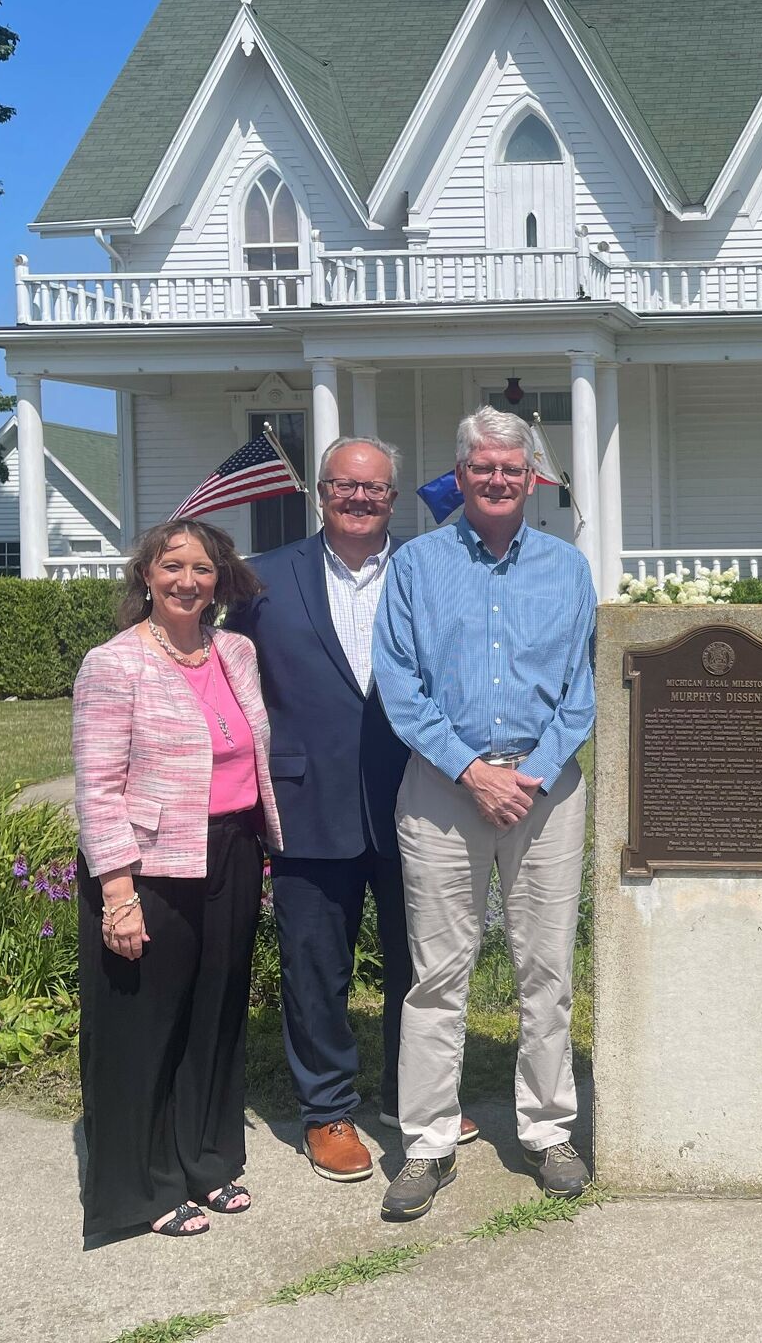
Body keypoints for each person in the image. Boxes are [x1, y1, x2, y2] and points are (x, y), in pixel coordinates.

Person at [227, 437, 478, 1182]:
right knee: (315, 967)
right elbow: (232, 685)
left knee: (423, 961)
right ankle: (327, 1110)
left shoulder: (432, 571)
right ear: (322, 493)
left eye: (373, 489)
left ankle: (418, 1097)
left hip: (420, 795)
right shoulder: (262, 581)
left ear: (393, 498)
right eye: (345, 486)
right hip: (308, 802)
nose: (359, 499)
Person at [371, 406, 596, 1220]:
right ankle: (426, 1143)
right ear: (460, 476)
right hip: (441, 788)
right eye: (482, 469)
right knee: (437, 975)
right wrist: (471, 770)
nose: (498, 481)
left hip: (545, 789)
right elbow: (399, 681)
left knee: (547, 971)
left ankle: (546, 1129)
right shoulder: (417, 566)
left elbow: (582, 689)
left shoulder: (568, 569)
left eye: (512, 468)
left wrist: (527, 775)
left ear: (533, 477)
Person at [72, 518, 280, 1243]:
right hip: (149, 869)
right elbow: (97, 789)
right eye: (172, 567)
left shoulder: (237, 652)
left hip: (229, 850)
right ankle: (143, 1186)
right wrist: (119, 897)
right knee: (144, 1030)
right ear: (146, 576)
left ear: (220, 579)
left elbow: (247, 753)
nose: (187, 581)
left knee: (215, 1017)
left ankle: (207, 1159)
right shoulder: (113, 664)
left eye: (202, 568)